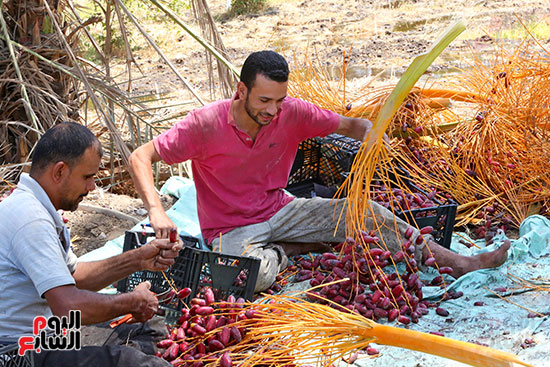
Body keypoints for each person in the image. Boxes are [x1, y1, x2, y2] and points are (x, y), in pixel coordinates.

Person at [129, 50, 510, 292]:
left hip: (283, 209)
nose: (273, 111)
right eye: (264, 100)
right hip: (231, 229)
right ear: (240, 91)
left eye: (279, 100)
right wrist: (155, 210)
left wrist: (374, 135)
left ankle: (462, 262)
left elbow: (353, 125)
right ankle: (286, 251)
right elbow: (140, 156)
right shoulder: (205, 125)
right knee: (246, 279)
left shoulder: (292, 112)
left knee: (368, 215)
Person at [0, 121, 180, 366]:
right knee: (136, 363)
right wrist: (132, 301)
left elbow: (75, 277)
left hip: (48, 337)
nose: (92, 186)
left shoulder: (37, 208)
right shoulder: (29, 219)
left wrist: (139, 259)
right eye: (87, 177)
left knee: (148, 328)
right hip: (17, 353)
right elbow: (69, 306)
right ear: (60, 172)